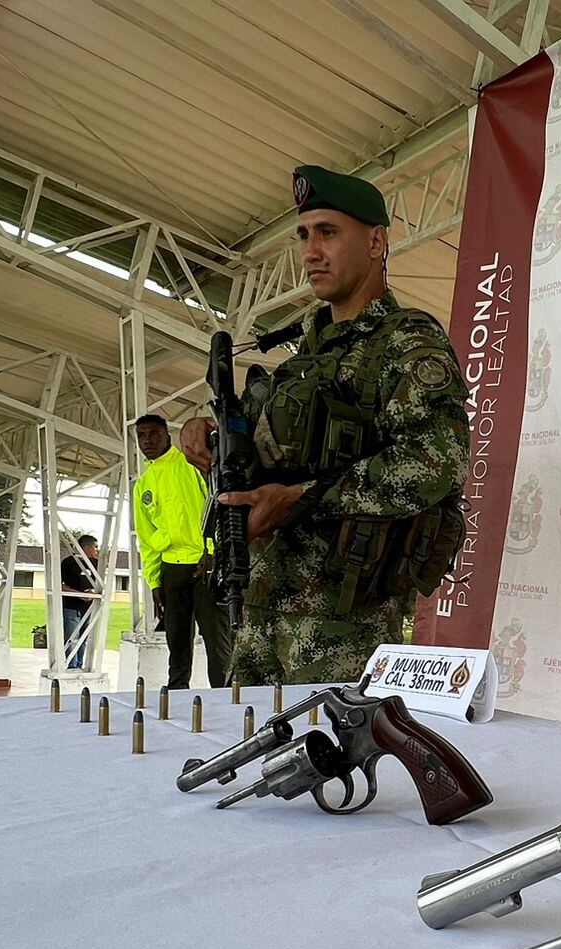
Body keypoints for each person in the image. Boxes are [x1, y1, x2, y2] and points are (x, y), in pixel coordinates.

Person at [179, 165, 468, 685]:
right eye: (304, 235)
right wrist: (210, 436)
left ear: (377, 242)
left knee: (334, 759)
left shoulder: (405, 343)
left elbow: (438, 463)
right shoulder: (306, 353)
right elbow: (281, 452)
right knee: (251, 758)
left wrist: (304, 497)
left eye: (328, 232)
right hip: (261, 610)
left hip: (342, 625)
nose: (310, 252)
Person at [132, 413, 233, 688]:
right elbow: (147, 538)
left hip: (206, 564)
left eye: (153, 434)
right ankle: (176, 697)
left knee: (217, 642)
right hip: (171, 569)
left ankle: (225, 698)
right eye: (141, 436)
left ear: (167, 435)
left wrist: (213, 552)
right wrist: (154, 581)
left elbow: (218, 508)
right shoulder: (143, 485)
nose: (147, 441)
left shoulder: (191, 465)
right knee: (176, 641)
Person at [59, 533, 99, 671]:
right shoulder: (68, 563)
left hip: (88, 608)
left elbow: (100, 584)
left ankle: (79, 664)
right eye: (95, 547)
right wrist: (78, 594)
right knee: (72, 638)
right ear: (86, 547)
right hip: (71, 606)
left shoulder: (96, 564)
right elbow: (59, 584)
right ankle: (70, 665)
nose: (96, 550)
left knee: (83, 639)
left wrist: (93, 592)